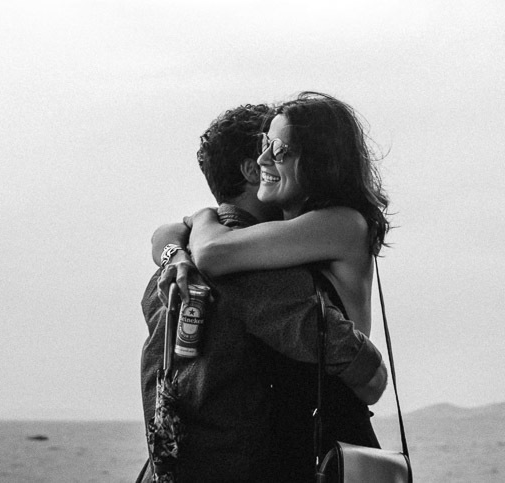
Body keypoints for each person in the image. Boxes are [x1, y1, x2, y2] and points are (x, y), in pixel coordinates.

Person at [139, 103, 387, 483]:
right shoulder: (277, 241)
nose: (264, 157)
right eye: (264, 144)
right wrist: (175, 250)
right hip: (298, 441)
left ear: (320, 162)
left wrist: (201, 219)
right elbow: (168, 236)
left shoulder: (340, 223)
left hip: (332, 442)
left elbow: (213, 253)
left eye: (280, 150)